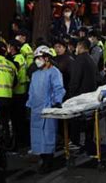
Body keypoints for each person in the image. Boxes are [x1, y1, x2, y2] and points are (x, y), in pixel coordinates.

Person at [26, 46, 65, 174]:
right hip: (36, 110)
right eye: (36, 58)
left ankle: (48, 162)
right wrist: (29, 105)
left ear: (47, 58)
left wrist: (57, 102)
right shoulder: (35, 74)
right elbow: (32, 92)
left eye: (39, 58)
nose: (37, 60)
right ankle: (43, 159)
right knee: (37, 136)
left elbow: (58, 88)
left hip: (48, 109)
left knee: (47, 136)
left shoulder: (54, 72)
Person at [69, 38, 98, 153]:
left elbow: (75, 79)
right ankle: (88, 142)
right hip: (90, 95)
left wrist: (71, 94)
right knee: (89, 121)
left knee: (76, 120)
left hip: (79, 96)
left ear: (80, 46)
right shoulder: (90, 59)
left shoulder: (79, 60)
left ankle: (75, 142)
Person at [8, 39, 30, 148]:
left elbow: (13, 76)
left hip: (17, 92)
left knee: (17, 120)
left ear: (13, 48)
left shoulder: (16, 59)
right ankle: (24, 141)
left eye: (10, 46)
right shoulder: (22, 57)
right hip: (23, 90)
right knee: (21, 119)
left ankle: (18, 143)